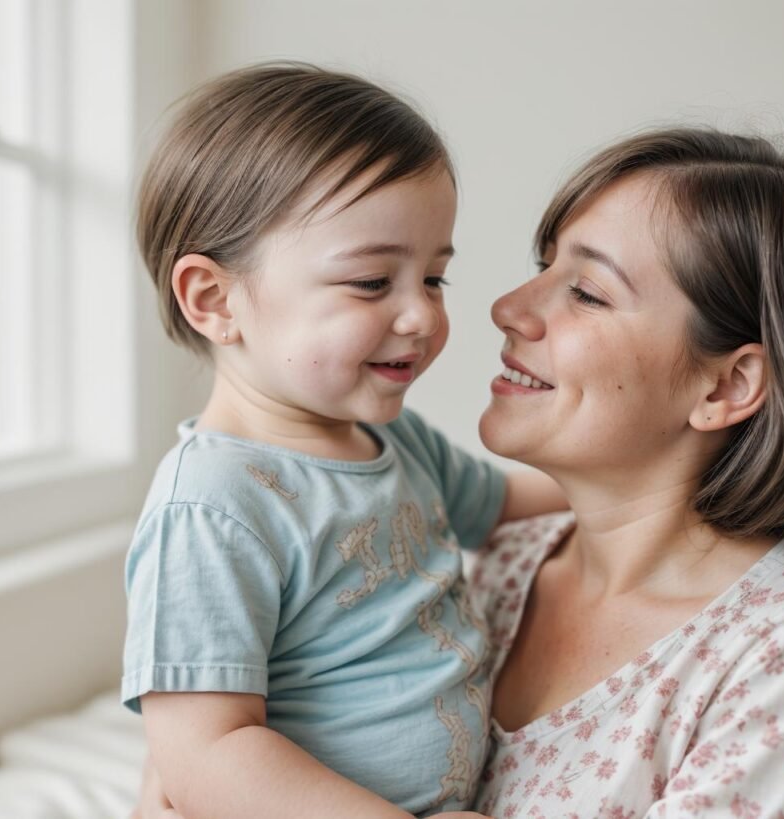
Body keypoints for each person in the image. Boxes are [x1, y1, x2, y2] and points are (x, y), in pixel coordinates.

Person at [123, 62, 564, 819]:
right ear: (214, 299)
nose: (421, 316)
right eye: (371, 283)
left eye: (433, 279)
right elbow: (209, 755)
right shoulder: (213, 505)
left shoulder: (392, 438)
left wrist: (652, 475)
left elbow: (502, 503)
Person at [467, 128, 784, 817]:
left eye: (588, 293)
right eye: (544, 264)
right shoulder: (506, 566)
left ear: (727, 386)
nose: (510, 308)